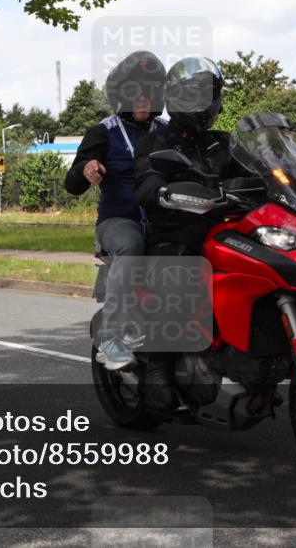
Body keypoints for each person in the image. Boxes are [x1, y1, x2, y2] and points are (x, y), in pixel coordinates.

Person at [133, 56, 246, 409]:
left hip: (226, 230)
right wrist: (160, 191)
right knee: (178, 270)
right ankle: (159, 368)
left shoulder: (224, 143)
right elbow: (147, 179)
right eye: (193, 93)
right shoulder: (156, 143)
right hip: (176, 232)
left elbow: (260, 171)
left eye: (207, 93)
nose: (201, 101)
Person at [65, 51, 167, 370]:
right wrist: (87, 168)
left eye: (148, 91)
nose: (141, 98)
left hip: (162, 223)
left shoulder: (167, 131)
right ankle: (110, 338)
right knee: (131, 242)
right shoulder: (104, 131)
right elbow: (72, 182)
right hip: (117, 223)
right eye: (134, 91)